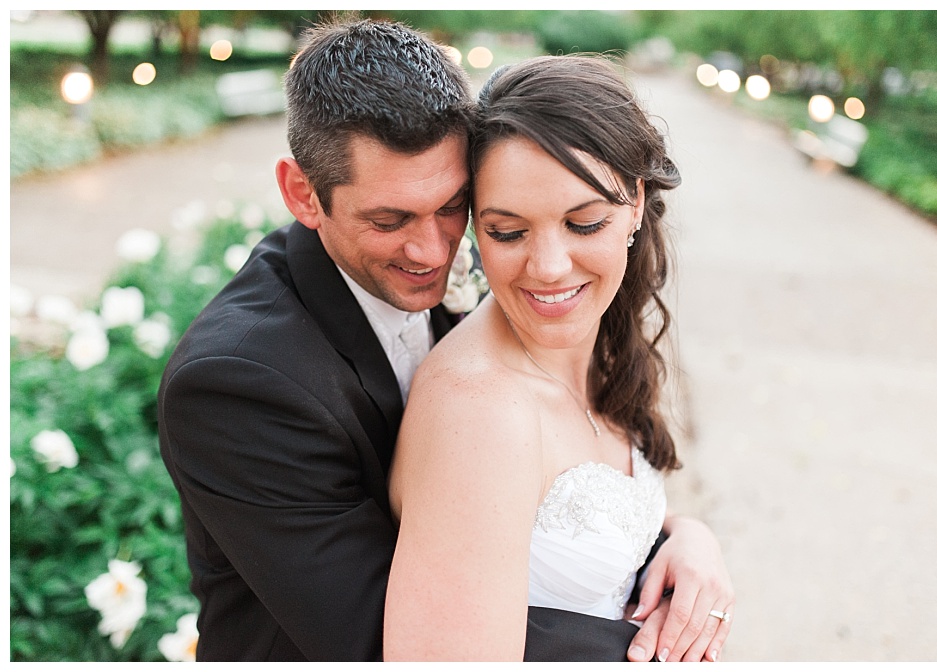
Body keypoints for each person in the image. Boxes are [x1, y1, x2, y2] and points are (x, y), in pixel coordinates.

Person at [158, 18, 731, 661]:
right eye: (389, 219)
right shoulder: (237, 382)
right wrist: (660, 649)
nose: (434, 252)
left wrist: (679, 539)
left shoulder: (531, 298)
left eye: (453, 207)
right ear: (303, 193)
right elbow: (397, 635)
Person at [384, 54, 734, 662]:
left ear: (634, 206)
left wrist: (686, 536)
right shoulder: (481, 415)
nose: (547, 268)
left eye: (584, 223)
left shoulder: (594, 339)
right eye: (507, 233)